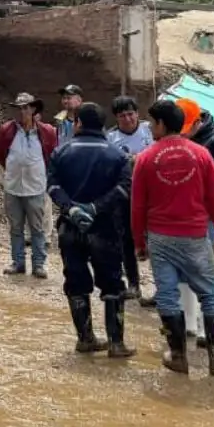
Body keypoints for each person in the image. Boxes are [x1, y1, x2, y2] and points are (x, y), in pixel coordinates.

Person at [132, 99, 214, 376]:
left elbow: (138, 206)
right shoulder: (202, 155)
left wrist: (139, 242)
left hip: (160, 237)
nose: (150, 127)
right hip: (194, 235)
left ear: (162, 124)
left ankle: (178, 355)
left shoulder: (145, 158)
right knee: (210, 294)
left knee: (167, 295)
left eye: (152, 122)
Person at [45, 103, 134, 358]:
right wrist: (95, 208)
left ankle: (86, 338)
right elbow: (123, 189)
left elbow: (52, 185)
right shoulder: (117, 155)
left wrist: (71, 208)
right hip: (105, 228)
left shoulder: (61, 152)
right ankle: (116, 343)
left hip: (70, 229)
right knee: (113, 284)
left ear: (79, 123)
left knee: (76, 282)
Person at [0, 93, 56, 278]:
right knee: (15, 228)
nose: (22, 112)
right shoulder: (7, 130)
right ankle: (18, 262)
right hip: (13, 187)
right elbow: (0, 152)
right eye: (19, 108)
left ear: (33, 109)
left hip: (36, 187)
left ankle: (38, 264)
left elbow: (51, 155)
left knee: (37, 229)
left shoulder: (46, 132)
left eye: (26, 107)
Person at [107, 95, 153, 301]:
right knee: (126, 239)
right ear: (116, 118)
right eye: (122, 115)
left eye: (130, 113)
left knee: (156, 238)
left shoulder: (149, 131)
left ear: (137, 114)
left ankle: (162, 286)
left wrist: (139, 160)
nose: (127, 118)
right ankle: (134, 284)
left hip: (153, 194)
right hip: (125, 194)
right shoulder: (110, 138)